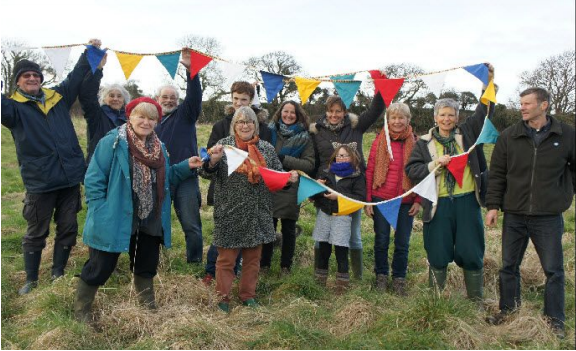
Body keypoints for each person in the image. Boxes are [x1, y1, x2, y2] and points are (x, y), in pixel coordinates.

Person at [73, 97, 203, 323]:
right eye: (141, 116)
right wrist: (100, 210)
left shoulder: (159, 146)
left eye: (151, 118)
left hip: (149, 215)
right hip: (115, 214)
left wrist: (185, 166)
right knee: (101, 265)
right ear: (130, 116)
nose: (146, 122)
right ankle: (82, 311)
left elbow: (165, 179)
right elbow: (94, 179)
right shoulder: (112, 142)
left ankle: (147, 308)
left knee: (146, 263)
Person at [1, 40, 95, 295]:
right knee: (36, 231)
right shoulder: (11, 107)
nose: (32, 78)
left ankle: (58, 272)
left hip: (69, 178)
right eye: (26, 75)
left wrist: (89, 53)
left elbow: (76, 77)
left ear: (41, 78)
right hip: (40, 181)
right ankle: (31, 279)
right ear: (18, 82)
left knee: (68, 227)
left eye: (35, 74)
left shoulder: (58, 98)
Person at [484, 87, 575, 338]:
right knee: (508, 266)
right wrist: (493, 206)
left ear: (543, 105)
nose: (522, 107)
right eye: (521, 103)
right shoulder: (509, 136)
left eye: (527, 103)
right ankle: (508, 311)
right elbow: (497, 174)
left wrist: (564, 195)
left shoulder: (566, 135)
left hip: (548, 217)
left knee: (553, 270)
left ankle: (555, 320)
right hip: (514, 214)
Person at [405, 64, 494, 303]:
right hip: (438, 205)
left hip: (467, 202)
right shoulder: (423, 143)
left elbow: (484, 111)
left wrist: (488, 82)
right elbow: (412, 170)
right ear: (435, 117)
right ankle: (436, 303)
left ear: (457, 118)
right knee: (437, 250)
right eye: (442, 114)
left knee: (471, 250)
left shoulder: (468, 133)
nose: (446, 118)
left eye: (451, 115)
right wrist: (434, 165)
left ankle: (476, 301)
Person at [199, 106, 298, 312]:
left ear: (256, 125)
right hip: (229, 211)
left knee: (253, 260)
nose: (245, 125)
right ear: (234, 125)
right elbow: (205, 172)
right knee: (226, 260)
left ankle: (247, 295)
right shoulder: (223, 146)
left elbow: (277, 178)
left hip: (257, 212)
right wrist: (213, 162)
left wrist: (289, 178)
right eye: (240, 122)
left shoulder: (266, 149)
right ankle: (222, 298)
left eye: (249, 121)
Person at [310, 90, 385, 279]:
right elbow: (315, 161)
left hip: (352, 189)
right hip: (325, 190)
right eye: (330, 111)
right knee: (323, 234)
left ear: (344, 112)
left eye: (338, 111)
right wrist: (314, 183)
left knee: (353, 236)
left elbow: (376, 109)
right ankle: (320, 274)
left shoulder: (356, 127)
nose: (334, 115)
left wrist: (381, 86)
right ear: (325, 112)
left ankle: (356, 276)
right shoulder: (317, 132)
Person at [202, 81, 272, 285]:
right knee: (225, 242)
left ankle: (242, 281)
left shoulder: (264, 134)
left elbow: (271, 165)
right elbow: (209, 161)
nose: (239, 103)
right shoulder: (220, 128)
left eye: (244, 100)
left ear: (252, 102)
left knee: (250, 245)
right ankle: (212, 273)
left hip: (255, 198)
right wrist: (213, 160)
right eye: (235, 99)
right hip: (228, 194)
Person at [364, 103, 421, 295]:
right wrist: (368, 200)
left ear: (408, 120)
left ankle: (399, 279)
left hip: (407, 200)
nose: (397, 121)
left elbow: (421, 175)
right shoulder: (379, 141)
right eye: (393, 118)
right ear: (388, 120)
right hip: (381, 199)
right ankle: (381, 276)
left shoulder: (416, 143)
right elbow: (370, 170)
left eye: (401, 118)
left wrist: (418, 200)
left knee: (402, 243)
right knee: (381, 240)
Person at [154, 48, 203, 264]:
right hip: (158, 178)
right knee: (154, 223)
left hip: (185, 178)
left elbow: (194, 96)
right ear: (157, 99)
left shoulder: (186, 114)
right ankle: (155, 261)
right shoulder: (149, 121)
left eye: (173, 97)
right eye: (165, 97)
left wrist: (192, 72)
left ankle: (194, 262)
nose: (169, 100)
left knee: (191, 224)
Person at [260, 101, 315, 275]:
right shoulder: (269, 131)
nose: (289, 115)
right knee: (268, 227)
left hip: (291, 187)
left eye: (293, 112)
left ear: (298, 115)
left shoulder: (305, 137)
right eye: (286, 111)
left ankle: (286, 266)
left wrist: (284, 160)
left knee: (289, 228)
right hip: (269, 184)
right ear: (280, 112)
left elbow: (309, 164)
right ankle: (264, 265)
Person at [312, 145, 365, 292]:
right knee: (323, 249)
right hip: (324, 215)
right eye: (339, 155)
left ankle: (342, 285)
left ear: (353, 158)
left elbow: (360, 198)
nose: (341, 158)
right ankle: (319, 283)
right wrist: (316, 186)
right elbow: (313, 196)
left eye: (345, 155)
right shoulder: (325, 173)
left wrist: (339, 196)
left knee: (341, 250)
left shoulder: (357, 176)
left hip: (342, 217)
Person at [78, 47, 130, 164]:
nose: (115, 99)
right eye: (111, 95)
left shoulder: (130, 119)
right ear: (104, 98)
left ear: (124, 100)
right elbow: (88, 95)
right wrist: (97, 68)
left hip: (122, 166)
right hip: (99, 165)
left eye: (119, 96)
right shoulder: (96, 114)